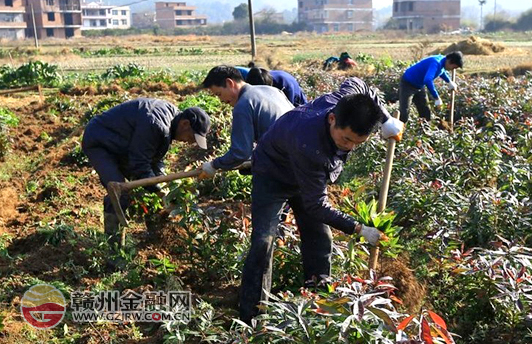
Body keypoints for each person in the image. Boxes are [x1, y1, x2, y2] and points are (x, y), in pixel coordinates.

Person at [239, 77, 404, 323]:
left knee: (320, 237)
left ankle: (318, 297)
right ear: (331, 119)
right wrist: (359, 229)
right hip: (272, 174)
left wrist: (386, 118)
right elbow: (316, 205)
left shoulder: (344, 101)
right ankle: (253, 314)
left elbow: (359, 84)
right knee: (264, 241)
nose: (348, 148)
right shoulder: (310, 145)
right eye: (346, 140)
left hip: (301, 168)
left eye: (357, 143)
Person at [82, 98, 211, 248]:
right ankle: (114, 249)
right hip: (101, 142)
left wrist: (164, 185)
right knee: (119, 192)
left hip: (123, 144)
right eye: (192, 137)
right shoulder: (157, 124)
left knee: (148, 190)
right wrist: (161, 192)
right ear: (185, 124)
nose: (190, 143)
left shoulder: (171, 119)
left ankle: (154, 236)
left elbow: (155, 159)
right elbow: (140, 164)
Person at [200, 65, 294, 178]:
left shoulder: (243, 104)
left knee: (264, 192)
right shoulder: (272, 90)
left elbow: (240, 153)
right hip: (304, 155)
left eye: (219, 94)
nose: (221, 101)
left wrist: (213, 165)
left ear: (230, 83)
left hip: (285, 162)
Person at [399, 51, 463, 123]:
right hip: (408, 84)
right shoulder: (435, 63)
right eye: (454, 67)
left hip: (419, 85)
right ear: (450, 61)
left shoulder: (443, 61)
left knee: (425, 112)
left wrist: (449, 82)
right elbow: (428, 80)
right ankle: (400, 132)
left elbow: (441, 71)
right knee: (404, 111)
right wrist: (436, 97)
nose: (452, 69)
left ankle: (425, 130)